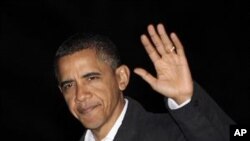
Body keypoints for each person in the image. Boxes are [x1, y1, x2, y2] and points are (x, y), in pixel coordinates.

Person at [54, 23, 235, 141]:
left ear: (121, 78)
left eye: (91, 78)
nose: (80, 95)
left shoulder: (174, 133)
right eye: (69, 85)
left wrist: (186, 101)